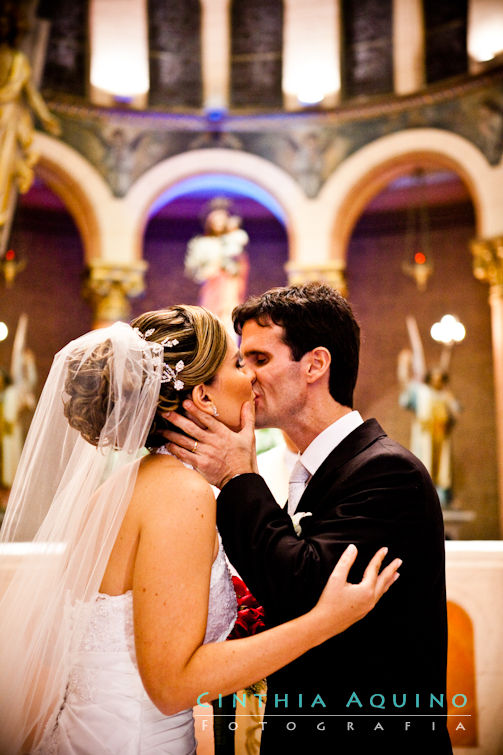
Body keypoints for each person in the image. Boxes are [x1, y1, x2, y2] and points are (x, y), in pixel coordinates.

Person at [0, 305, 401, 755]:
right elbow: (172, 686)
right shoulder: (180, 494)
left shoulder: (128, 485)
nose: (250, 376)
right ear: (203, 398)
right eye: (236, 362)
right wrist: (323, 622)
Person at [163, 284, 452, 754]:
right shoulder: (320, 469)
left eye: (259, 359)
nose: (246, 378)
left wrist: (237, 476)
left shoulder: (387, 471)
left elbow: (303, 587)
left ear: (315, 364)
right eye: (240, 363)